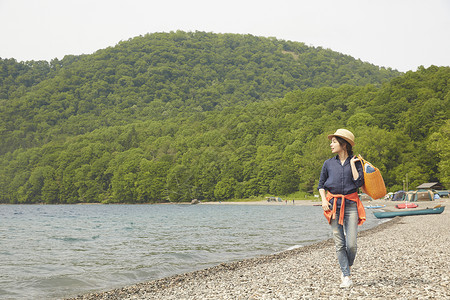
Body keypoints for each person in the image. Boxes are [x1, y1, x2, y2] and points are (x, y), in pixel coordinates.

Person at [317, 129, 366, 288]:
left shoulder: (357, 161)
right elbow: (321, 185)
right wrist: (324, 200)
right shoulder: (328, 163)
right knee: (339, 244)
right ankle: (346, 275)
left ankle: (347, 267)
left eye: (334, 142)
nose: (331, 144)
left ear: (343, 144)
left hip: (351, 204)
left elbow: (358, 183)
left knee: (351, 244)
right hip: (332, 205)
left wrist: (352, 165)